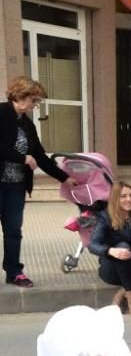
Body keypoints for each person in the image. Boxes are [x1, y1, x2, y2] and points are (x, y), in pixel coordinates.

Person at [1, 76, 73, 288]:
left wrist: (65, 177)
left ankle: (14, 272)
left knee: (13, 230)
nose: (35, 105)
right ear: (21, 96)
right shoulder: (1, 113)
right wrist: (22, 158)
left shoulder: (27, 124)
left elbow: (39, 156)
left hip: (16, 186)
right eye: (34, 100)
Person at [89, 181, 131, 318]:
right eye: (123, 196)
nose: (129, 199)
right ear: (115, 198)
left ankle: (121, 294)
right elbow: (93, 244)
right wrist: (110, 251)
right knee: (122, 249)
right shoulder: (104, 216)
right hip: (112, 268)